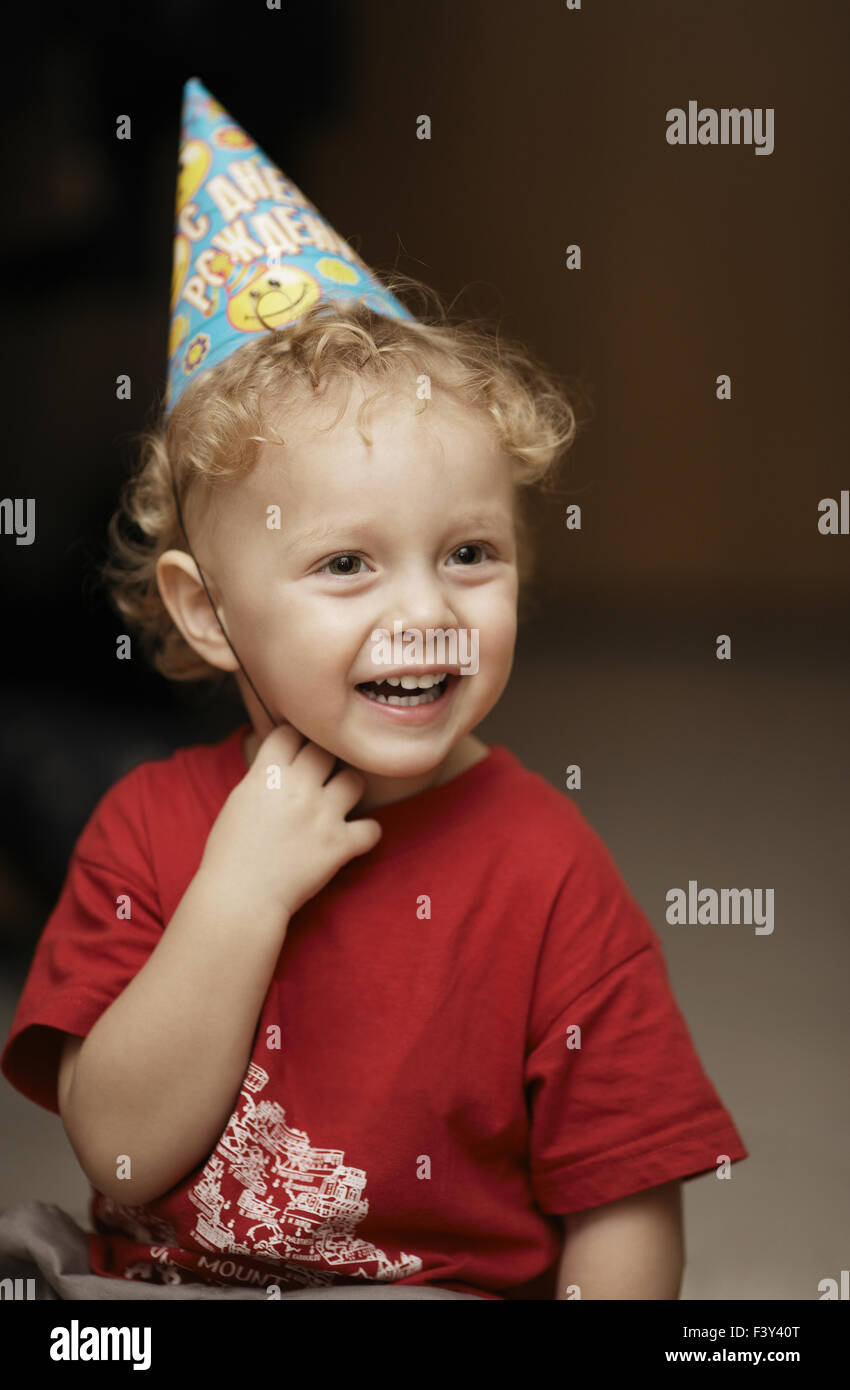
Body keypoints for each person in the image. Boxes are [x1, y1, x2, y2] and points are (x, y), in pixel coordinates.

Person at [0, 79, 747, 1300]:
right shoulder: (146, 830)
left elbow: (623, 1199)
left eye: (468, 553)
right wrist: (237, 892)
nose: (424, 612)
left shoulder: (546, 867)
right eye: (345, 563)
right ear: (208, 611)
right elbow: (123, 1150)